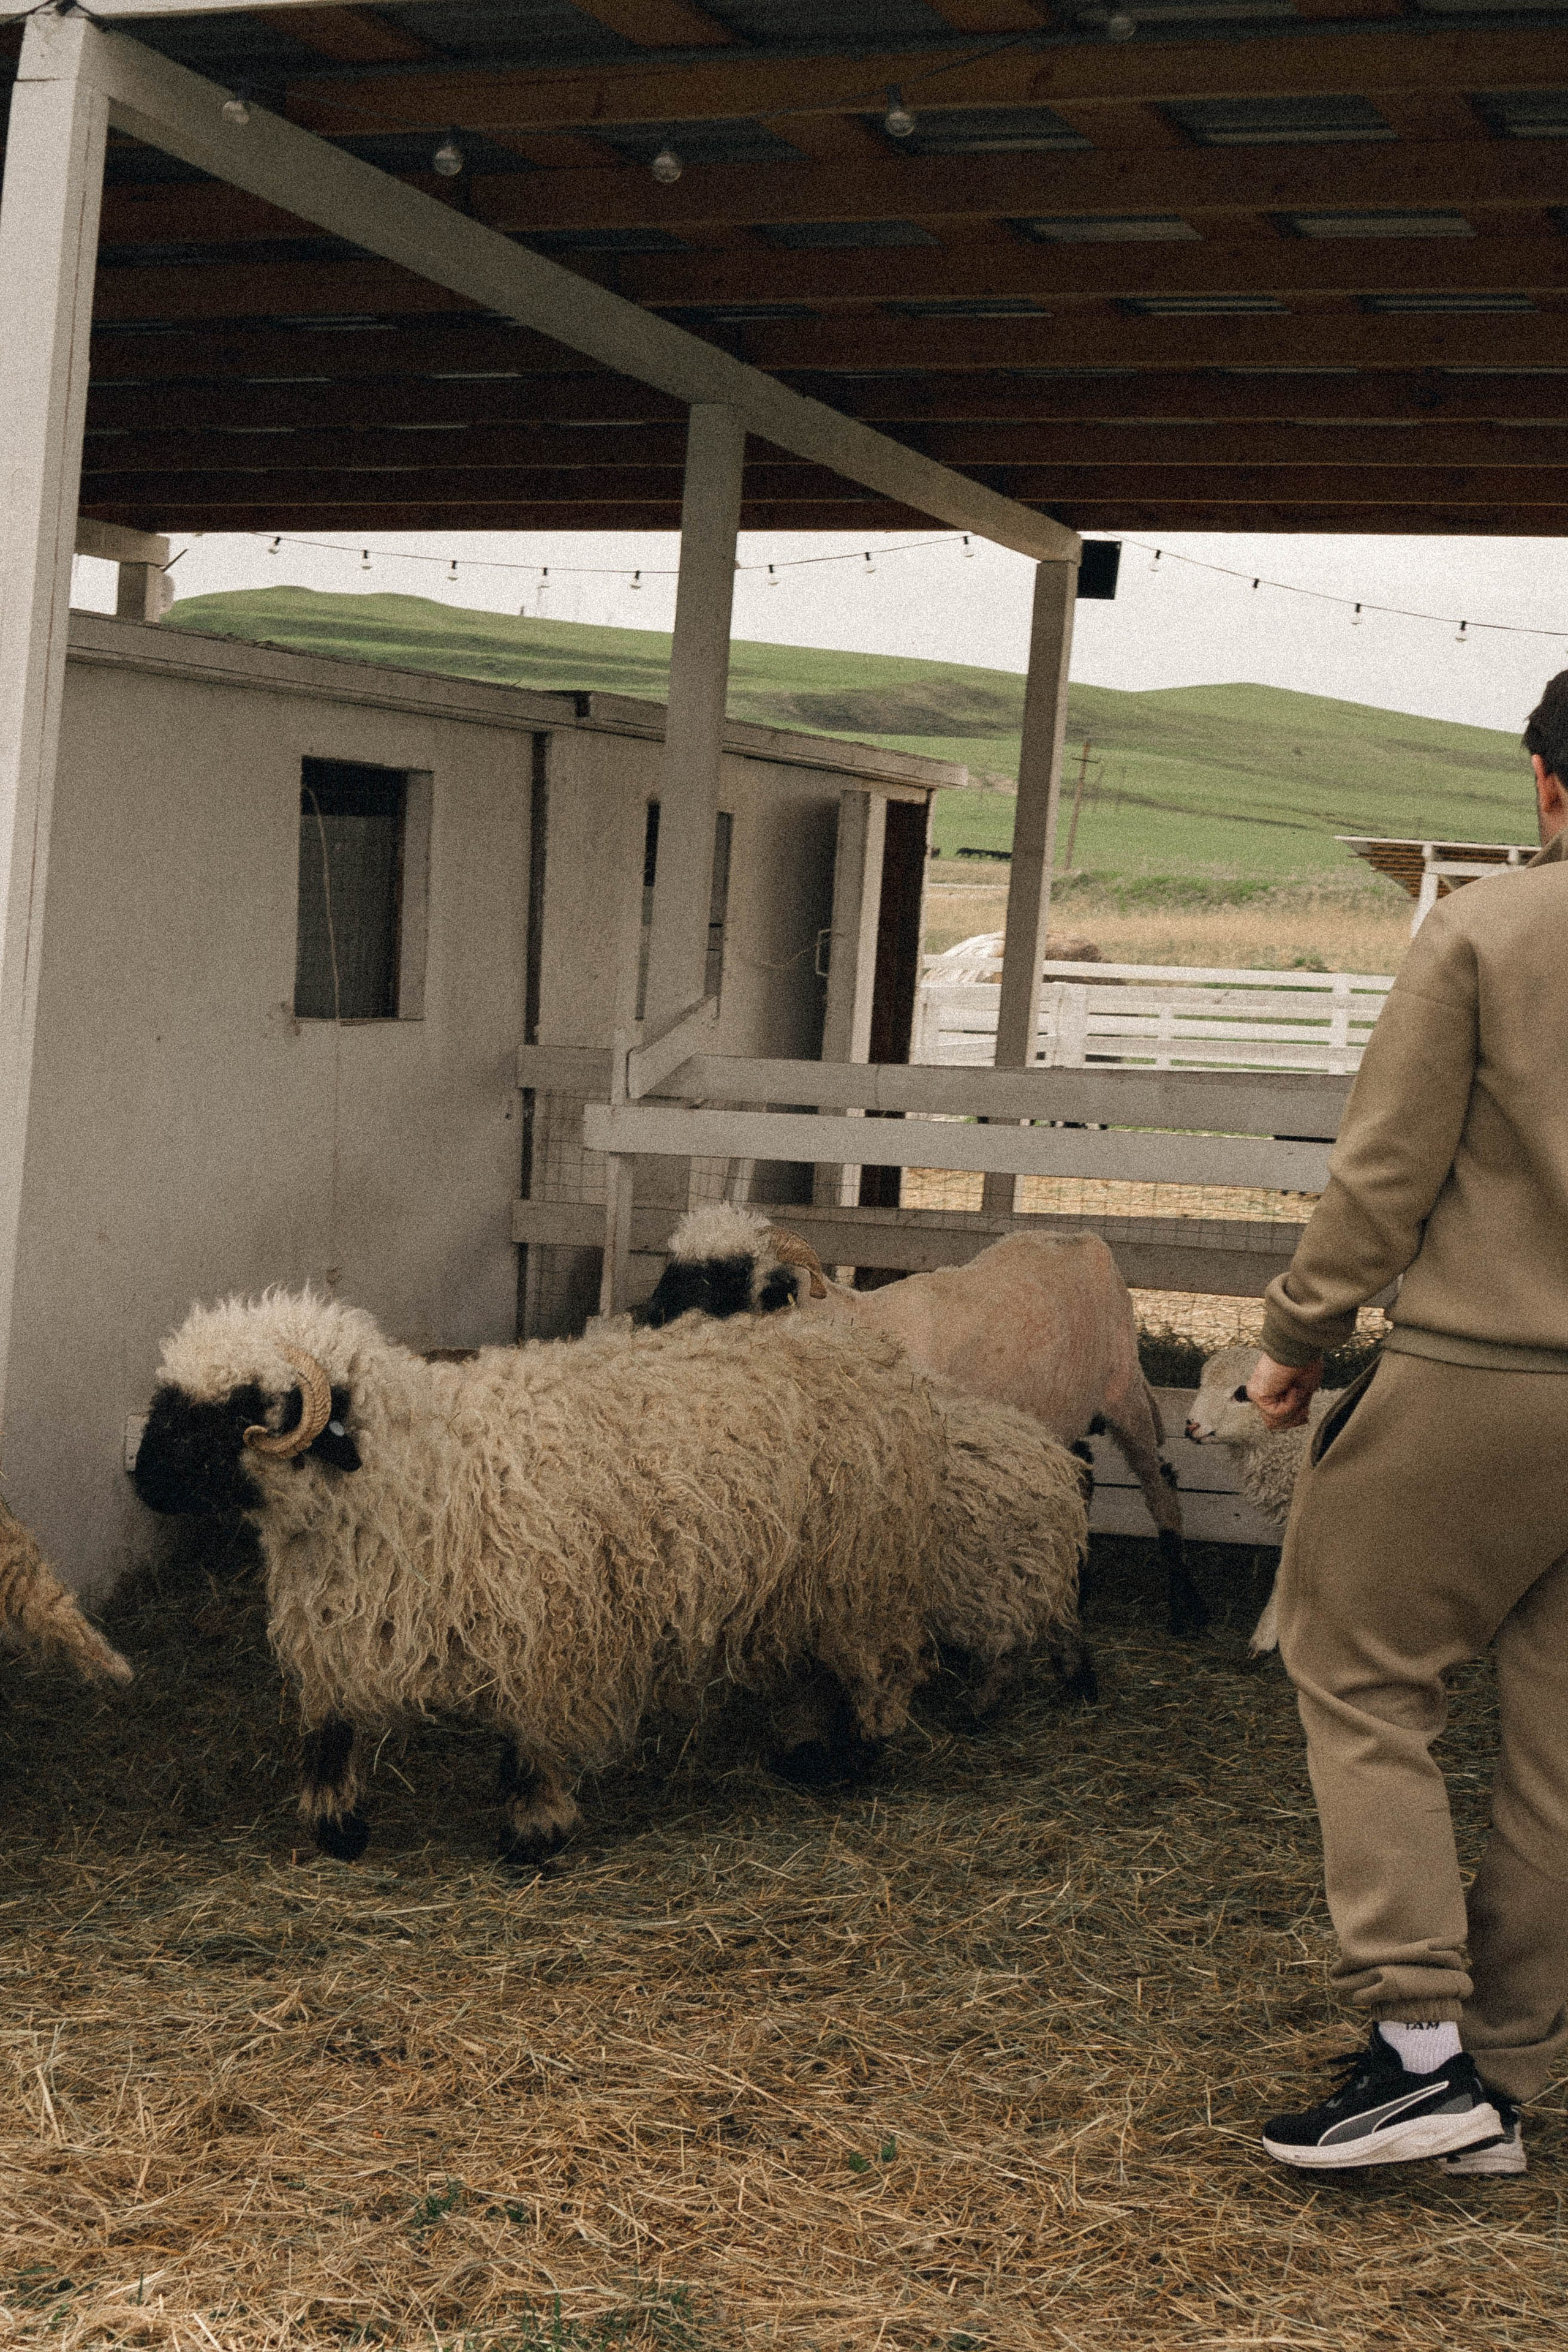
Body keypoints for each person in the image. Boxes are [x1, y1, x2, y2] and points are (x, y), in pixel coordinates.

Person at [1244, 674, 1568, 2174]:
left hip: (1485, 1380)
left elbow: (1382, 1177)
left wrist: (1293, 1343)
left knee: (1355, 1667)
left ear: (1541, 782)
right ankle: (1509, 2073)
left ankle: (1422, 2057)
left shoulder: (1490, 932)